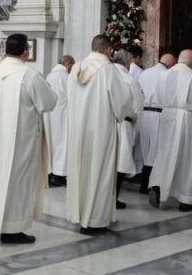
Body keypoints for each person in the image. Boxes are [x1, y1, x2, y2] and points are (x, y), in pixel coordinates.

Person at [0, 33, 56, 243]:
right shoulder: (29, 75)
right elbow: (48, 103)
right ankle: (12, 228)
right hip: (22, 139)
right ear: (25, 52)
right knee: (19, 183)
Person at [65, 36, 133, 235]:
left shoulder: (76, 69)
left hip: (78, 130)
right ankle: (94, 220)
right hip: (101, 130)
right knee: (100, 172)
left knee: (81, 171)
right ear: (106, 50)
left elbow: (69, 97)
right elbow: (121, 101)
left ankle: (79, 215)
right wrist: (126, 114)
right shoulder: (108, 69)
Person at [148, 49, 192, 212]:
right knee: (187, 157)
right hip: (186, 119)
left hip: (167, 115)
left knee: (164, 153)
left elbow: (159, 97)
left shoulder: (164, 75)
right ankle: (185, 200)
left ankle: (157, 186)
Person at [135, 53, 176, 193]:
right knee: (157, 151)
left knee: (145, 151)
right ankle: (152, 186)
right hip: (158, 114)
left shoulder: (145, 72)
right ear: (171, 63)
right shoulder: (168, 74)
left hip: (143, 113)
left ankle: (144, 184)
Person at [113, 49, 144, 209]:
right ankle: (114, 198)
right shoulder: (129, 80)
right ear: (128, 62)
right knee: (120, 163)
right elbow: (138, 107)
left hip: (104, 123)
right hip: (123, 124)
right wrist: (136, 126)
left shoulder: (106, 75)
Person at [43, 55, 74, 187]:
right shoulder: (66, 78)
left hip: (50, 115)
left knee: (52, 144)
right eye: (72, 65)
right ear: (67, 63)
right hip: (63, 116)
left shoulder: (49, 76)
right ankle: (59, 175)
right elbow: (73, 97)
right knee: (63, 144)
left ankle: (51, 173)